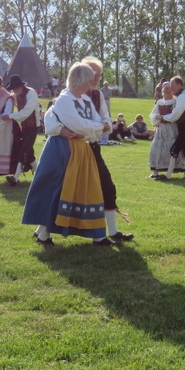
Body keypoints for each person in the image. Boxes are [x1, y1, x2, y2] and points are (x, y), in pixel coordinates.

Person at [23, 63, 111, 246]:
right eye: (89, 80)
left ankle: (97, 235)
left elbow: (93, 124)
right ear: (81, 80)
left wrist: (96, 128)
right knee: (59, 190)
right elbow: (82, 125)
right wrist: (97, 128)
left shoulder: (85, 100)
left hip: (82, 150)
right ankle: (44, 234)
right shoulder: (64, 100)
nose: (91, 84)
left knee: (88, 190)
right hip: (62, 150)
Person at [83, 56, 133, 242]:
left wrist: (103, 125)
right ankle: (43, 231)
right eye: (93, 74)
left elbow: (106, 119)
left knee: (107, 186)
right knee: (64, 188)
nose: (96, 78)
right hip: (72, 149)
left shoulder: (98, 95)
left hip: (93, 147)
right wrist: (99, 125)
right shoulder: (70, 94)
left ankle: (112, 232)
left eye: (99, 75)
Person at [149, 82, 185, 180]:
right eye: (165, 88)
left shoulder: (175, 101)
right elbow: (153, 114)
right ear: (162, 90)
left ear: (172, 90)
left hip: (172, 128)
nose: (167, 90)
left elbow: (177, 113)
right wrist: (157, 117)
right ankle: (155, 172)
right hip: (162, 129)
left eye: (169, 88)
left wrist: (166, 117)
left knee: (177, 149)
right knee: (156, 148)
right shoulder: (159, 102)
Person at [8, 74, 42, 183]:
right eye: (13, 88)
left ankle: (15, 177)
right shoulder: (16, 94)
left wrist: (10, 116)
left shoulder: (31, 93)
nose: (15, 90)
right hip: (24, 126)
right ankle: (40, 174)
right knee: (29, 152)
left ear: (22, 86)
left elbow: (26, 112)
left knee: (23, 151)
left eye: (16, 87)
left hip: (33, 126)